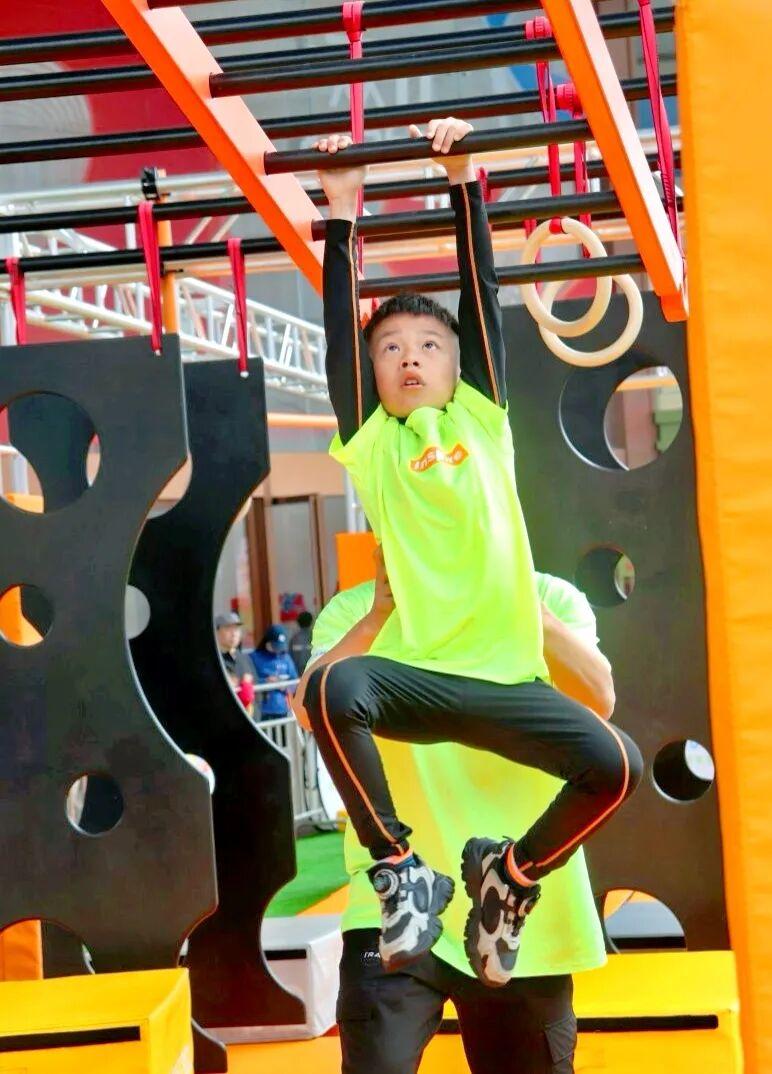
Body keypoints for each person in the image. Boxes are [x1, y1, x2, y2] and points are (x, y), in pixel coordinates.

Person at [302, 116, 643, 985]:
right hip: (419, 680)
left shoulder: (484, 426)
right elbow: (340, 335)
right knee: (332, 688)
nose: (409, 359)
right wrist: (340, 215)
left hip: (508, 683)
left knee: (614, 766)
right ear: (374, 374)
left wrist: (463, 183)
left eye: (428, 347)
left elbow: (480, 297)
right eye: (390, 350)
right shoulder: (372, 443)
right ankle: (401, 871)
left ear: (458, 371)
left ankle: (509, 880)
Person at [293, 554, 614, 1074]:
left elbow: (599, 700)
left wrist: (524, 606)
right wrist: (378, 618)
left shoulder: (551, 598)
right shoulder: (355, 610)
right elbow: (308, 710)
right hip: (394, 901)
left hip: (517, 910)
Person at [250, 624, 299, 719]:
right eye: (275, 646)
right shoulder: (254, 658)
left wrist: (284, 686)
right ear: (267, 643)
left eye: (280, 647)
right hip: (262, 710)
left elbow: (295, 683)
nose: (278, 650)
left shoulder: (286, 658)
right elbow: (248, 681)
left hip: (283, 709)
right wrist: (266, 681)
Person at [290, 610, 315, 675]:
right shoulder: (315, 637)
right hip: (313, 671)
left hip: (298, 673)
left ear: (298, 622)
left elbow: (290, 656)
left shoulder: (294, 639)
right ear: (311, 622)